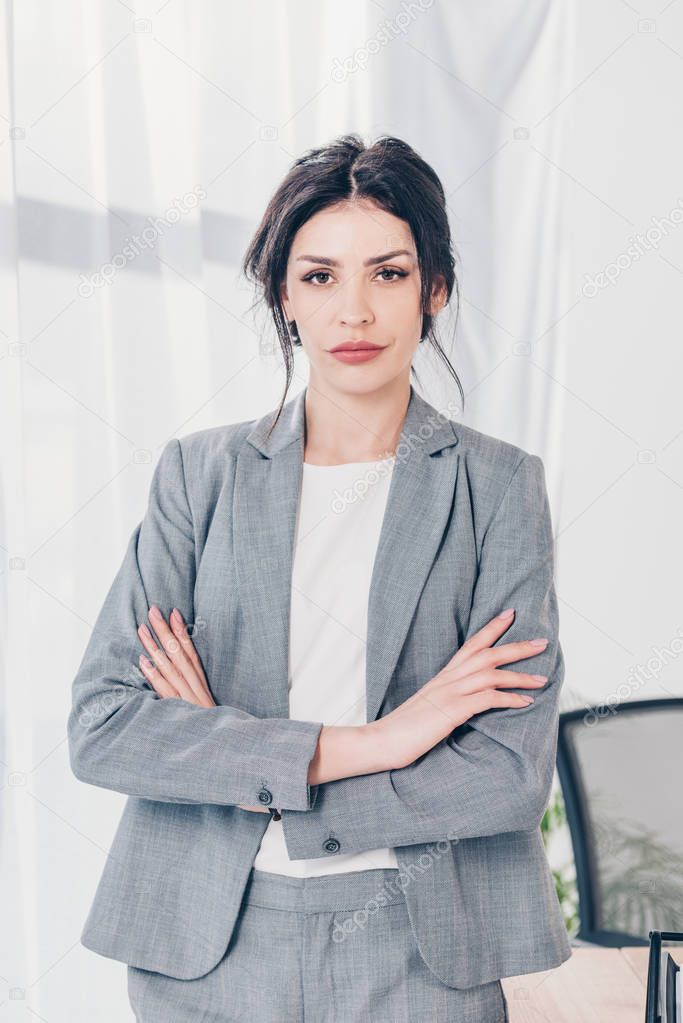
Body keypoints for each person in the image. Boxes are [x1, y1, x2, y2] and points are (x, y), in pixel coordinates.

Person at [68, 133, 571, 1021]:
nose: (354, 312)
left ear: (434, 292)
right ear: (283, 298)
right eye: (318, 276)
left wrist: (234, 752)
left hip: (422, 949)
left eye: (387, 274)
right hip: (207, 943)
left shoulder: (497, 486)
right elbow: (107, 726)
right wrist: (386, 738)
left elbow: (503, 772)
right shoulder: (200, 473)